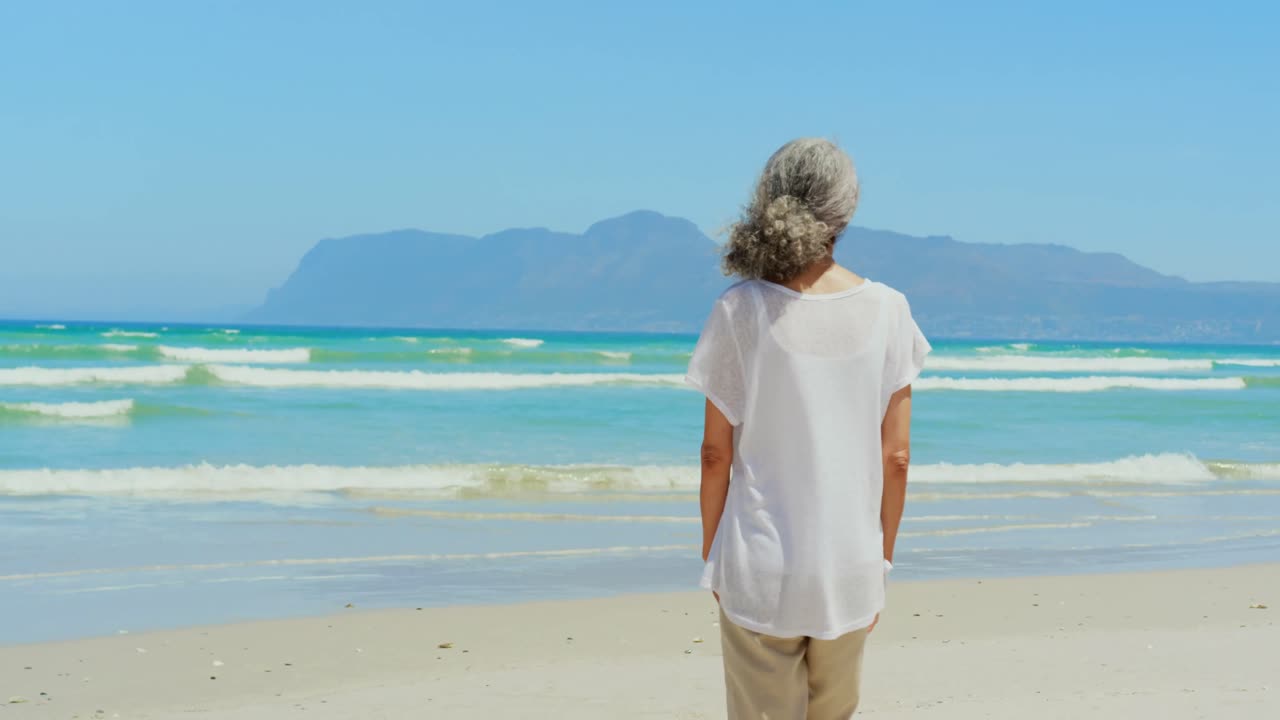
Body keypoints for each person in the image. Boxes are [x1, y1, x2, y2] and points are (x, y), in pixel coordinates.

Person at [686, 138, 930, 719]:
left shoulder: (739, 309)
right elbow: (896, 457)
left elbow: (715, 455)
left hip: (759, 564)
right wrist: (881, 562)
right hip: (849, 564)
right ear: (844, 212)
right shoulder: (889, 309)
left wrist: (712, 553)